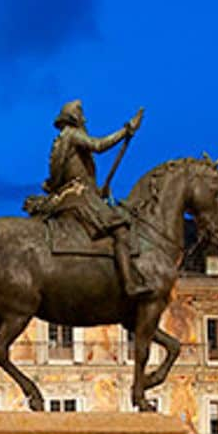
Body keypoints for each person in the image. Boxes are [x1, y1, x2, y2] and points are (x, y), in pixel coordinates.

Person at [31, 99, 147, 300]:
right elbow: (98, 145)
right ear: (75, 117)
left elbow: (68, 175)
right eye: (81, 114)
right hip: (78, 197)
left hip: (69, 196)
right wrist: (125, 130)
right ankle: (129, 284)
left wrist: (98, 191)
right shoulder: (73, 134)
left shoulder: (61, 141)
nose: (84, 118)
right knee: (120, 229)